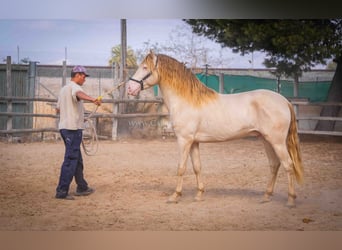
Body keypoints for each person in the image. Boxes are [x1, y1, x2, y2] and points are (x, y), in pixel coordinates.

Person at [55, 65, 101, 200]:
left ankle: (82, 187)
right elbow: (78, 94)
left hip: (67, 128)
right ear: (78, 75)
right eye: (84, 77)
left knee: (77, 159)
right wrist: (93, 99)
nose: (84, 80)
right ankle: (61, 191)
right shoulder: (75, 87)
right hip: (72, 129)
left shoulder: (64, 89)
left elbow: (58, 109)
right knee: (70, 160)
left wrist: (78, 115)